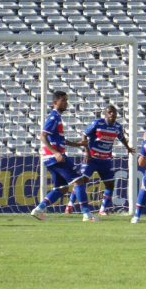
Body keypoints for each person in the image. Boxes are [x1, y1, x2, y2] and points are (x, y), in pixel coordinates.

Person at [30, 91, 97, 222]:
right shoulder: (54, 117)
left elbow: (60, 139)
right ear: (56, 102)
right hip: (55, 157)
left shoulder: (57, 118)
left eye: (66, 101)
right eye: (63, 101)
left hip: (50, 158)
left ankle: (38, 210)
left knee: (62, 188)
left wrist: (77, 144)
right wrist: (55, 153)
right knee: (79, 180)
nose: (66, 103)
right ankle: (87, 215)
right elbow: (43, 136)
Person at [65, 105, 135, 215]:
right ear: (106, 114)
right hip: (92, 158)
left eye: (114, 112)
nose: (112, 114)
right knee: (81, 182)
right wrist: (87, 152)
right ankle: (70, 205)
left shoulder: (117, 127)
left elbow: (121, 137)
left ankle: (102, 209)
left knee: (110, 184)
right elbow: (84, 135)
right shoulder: (97, 124)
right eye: (110, 112)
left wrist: (128, 148)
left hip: (106, 160)